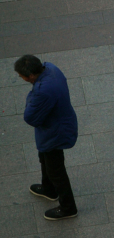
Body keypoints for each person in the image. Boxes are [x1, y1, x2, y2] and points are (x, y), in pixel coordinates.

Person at [15, 55, 79, 220]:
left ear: (30, 76)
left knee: (56, 169)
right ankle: (48, 189)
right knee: (44, 158)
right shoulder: (50, 67)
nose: (20, 78)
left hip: (55, 132)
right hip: (59, 124)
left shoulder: (43, 91)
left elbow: (30, 117)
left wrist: (31, 98)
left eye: (21, 75)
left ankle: (68, 208)